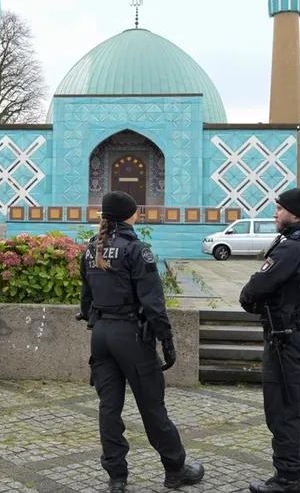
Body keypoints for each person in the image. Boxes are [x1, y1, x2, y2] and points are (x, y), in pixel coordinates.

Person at [79, 190, 204, 493]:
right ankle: (175, 469)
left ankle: (117, 477)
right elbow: (153, 304)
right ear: (129, 215)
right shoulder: (137, 250)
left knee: (109, 408)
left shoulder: (90, 249)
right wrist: (168, 341)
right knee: (152, 407)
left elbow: (85, 302)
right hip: (131, 337)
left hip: (101, 336)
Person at [239, 187, 300, 493]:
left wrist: (249, 300)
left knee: (283, 410)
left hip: (285, 340)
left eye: (279, 208)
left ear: (293, 212)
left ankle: (287, 479)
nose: (275, 213)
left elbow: (255, 288)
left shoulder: (291, 247)